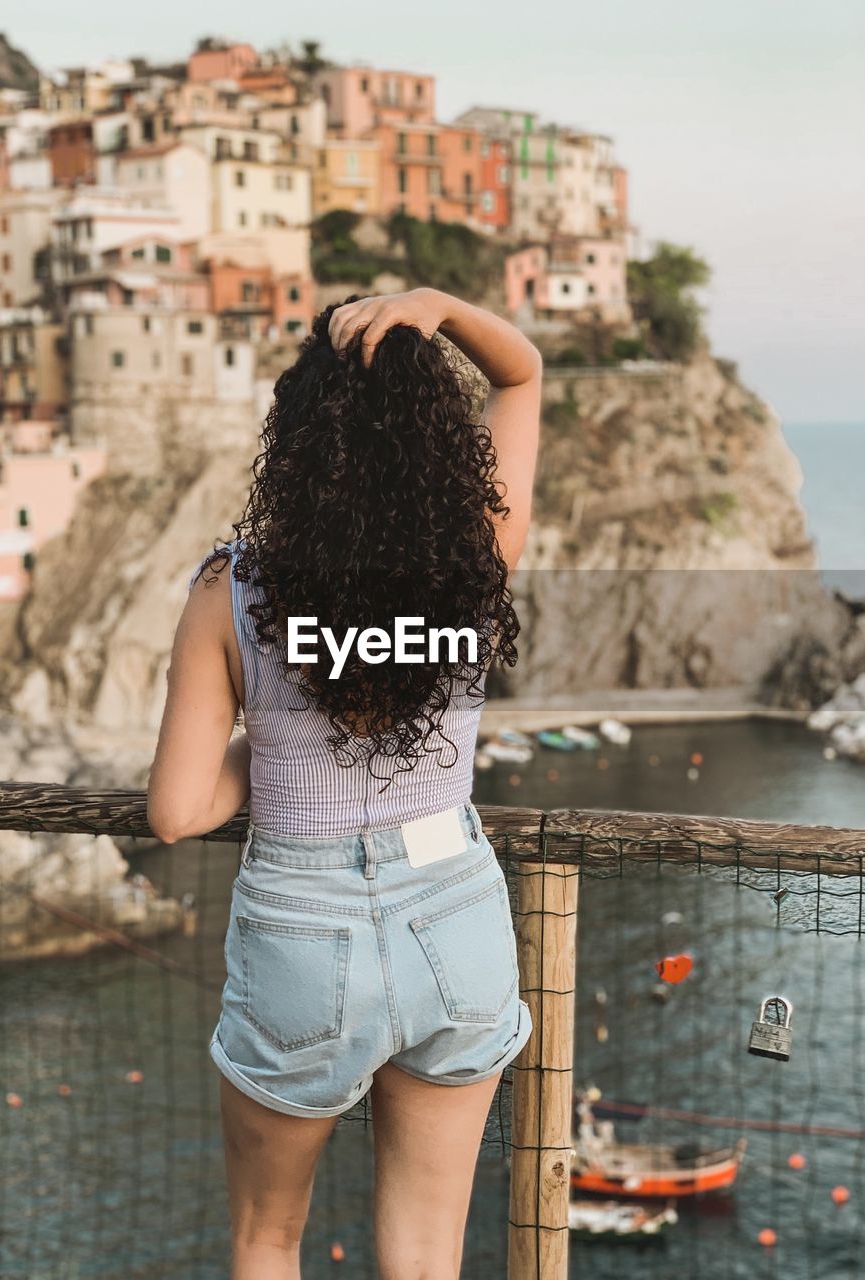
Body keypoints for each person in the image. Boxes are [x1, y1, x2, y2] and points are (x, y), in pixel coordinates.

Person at [147, 287, 542, 1279]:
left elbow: (177, 810)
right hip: (456, 908)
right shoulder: (478, 556)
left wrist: (274, 746)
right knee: (424, 1254)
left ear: (301, 434)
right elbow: (524, 370)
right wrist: (442, 308)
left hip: (302, 926)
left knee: (267, 1239)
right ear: (439, 439)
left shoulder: (231, 587)